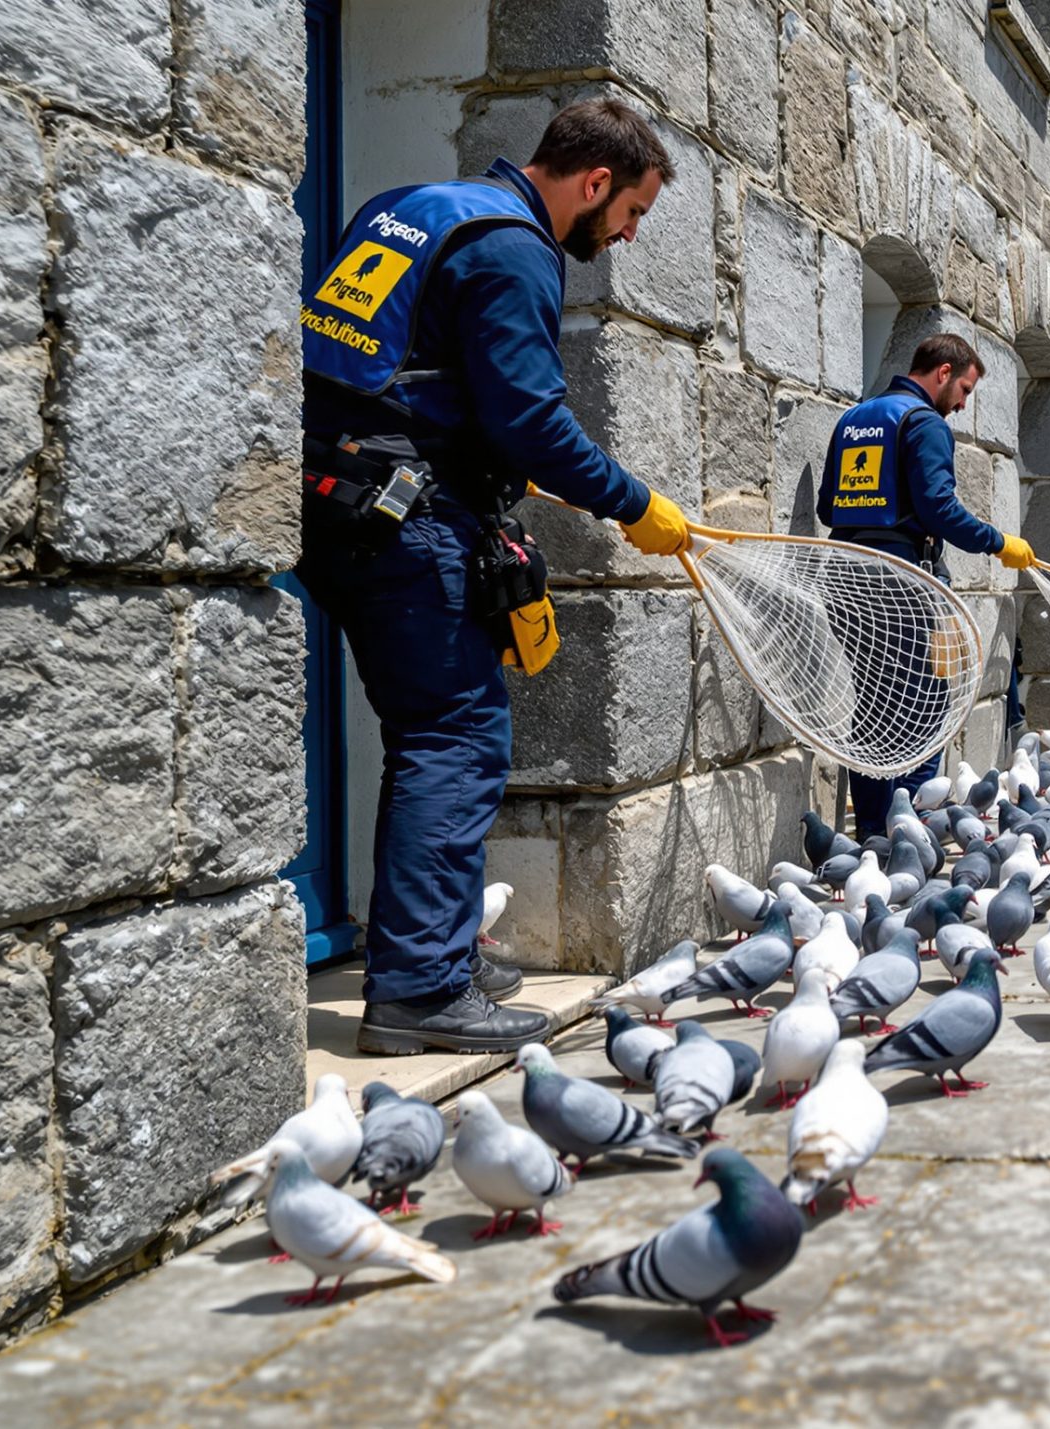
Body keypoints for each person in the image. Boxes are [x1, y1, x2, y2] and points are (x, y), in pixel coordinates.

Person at [300, 98, 690, 1055]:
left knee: (430, 730)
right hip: (405, 515)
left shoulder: (414, 206)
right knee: (455, 734)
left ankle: (432, 954)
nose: (630, 235)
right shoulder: (515, 247)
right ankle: (422, 992)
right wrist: (631, 501)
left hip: (342, 491)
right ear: (595, 183)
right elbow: (530, 423)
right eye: (633, 212)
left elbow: (399, 367)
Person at [818, 332, 1040, 837]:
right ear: (943, 373)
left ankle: (874, 831)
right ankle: (908, 833)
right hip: (902, 579)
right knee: (925, 707)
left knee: (873, 708)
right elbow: (941, 512)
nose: (962, 404)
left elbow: (827, 508)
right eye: (964, 389)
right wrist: (998, 541)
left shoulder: (854, 419)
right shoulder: (924, 423)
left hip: (845, 574)